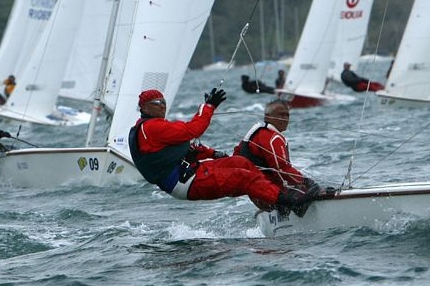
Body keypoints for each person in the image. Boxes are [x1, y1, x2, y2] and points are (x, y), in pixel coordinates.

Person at [128, 88, 318, 215]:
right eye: (155, 102)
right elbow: (193, 130)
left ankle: (274, 202)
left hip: (190, 173)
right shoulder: (151, 128)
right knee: (243, 177)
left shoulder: (153, 128)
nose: (162, 104)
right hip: (185, 182)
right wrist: (208, 106)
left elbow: (186, 147)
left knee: (241, 163)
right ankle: (289, 201)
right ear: (144, 107)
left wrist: (213, 153)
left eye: (163, 101)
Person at [233, 99, 318, 210]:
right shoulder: (272, 138)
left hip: (259, 197)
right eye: (280, 115)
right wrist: (306, 181)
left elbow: (235, 158)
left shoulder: (255, 133)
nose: (285, 119)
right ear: (267, 116)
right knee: (315, 190)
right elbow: (281, 169)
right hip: (272, 196)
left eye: (287, 115)